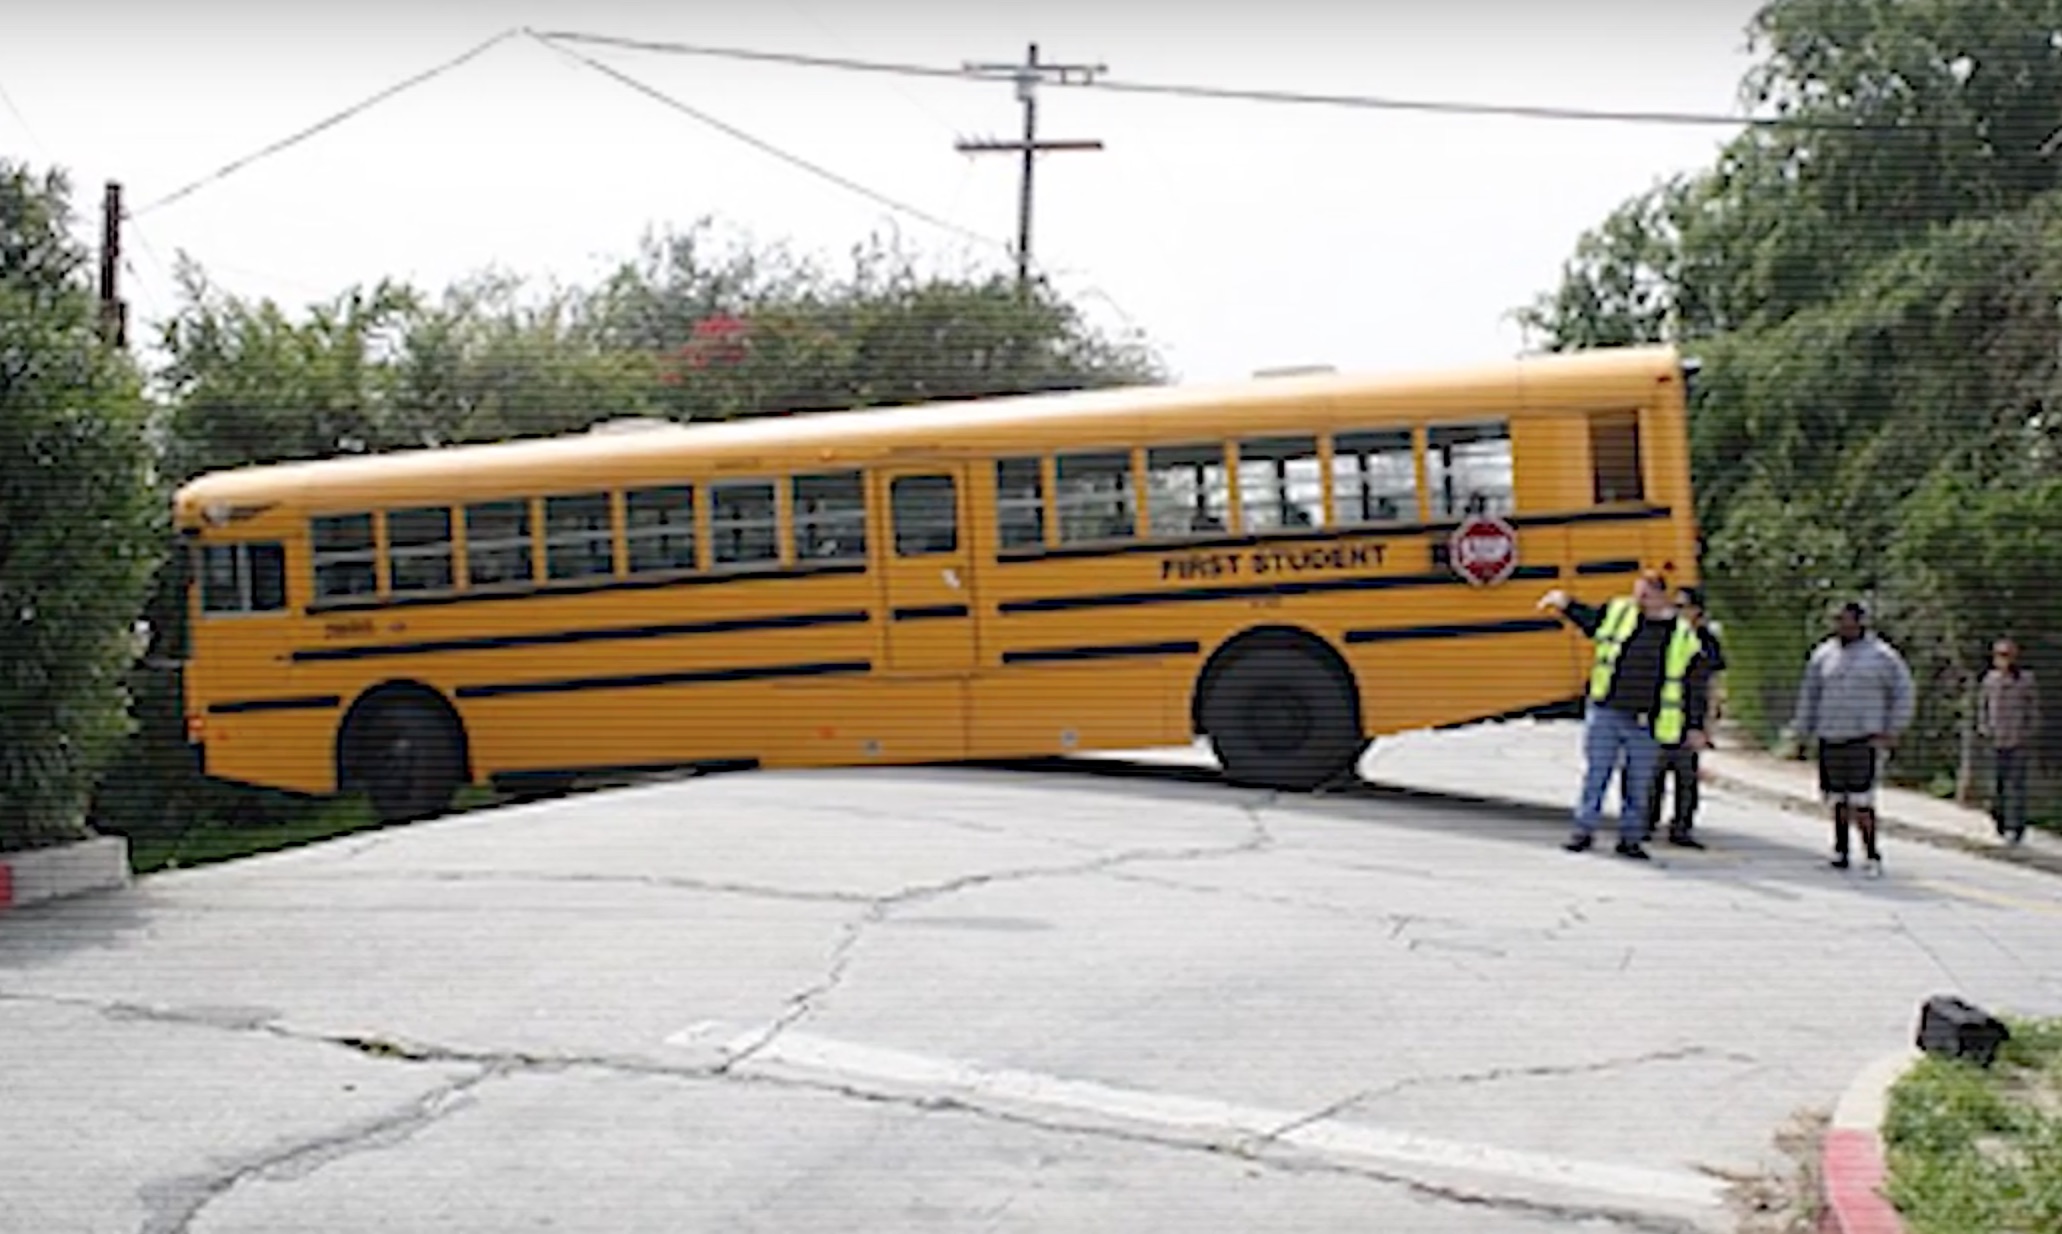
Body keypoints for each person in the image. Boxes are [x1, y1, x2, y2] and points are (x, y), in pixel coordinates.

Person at [1539, 571, 1714, 860]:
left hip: (1647, 720)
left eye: (1645, 594)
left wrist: (1695, 726)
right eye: (1637, 592)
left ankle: (1630, 839)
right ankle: (1583, 831)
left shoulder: (1682, 636)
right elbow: (1591, 621)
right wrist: (1566, 604)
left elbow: (1693, 686)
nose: (1638, 599)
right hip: (1607, 709)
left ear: (1662, 596)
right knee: (1597, 774)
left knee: (1638, 782)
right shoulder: (1620, 613)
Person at [1792, 602, 1916, 877]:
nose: (1840, 626)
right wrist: (1802, 732)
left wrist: (1893, 728)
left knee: (1862, 800)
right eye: (1837, 620)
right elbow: (1809, 695)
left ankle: (1872, 854)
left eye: (1846, 620)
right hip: (1830, 735)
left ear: (1860, 622)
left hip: (1864, 738)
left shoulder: (1882, 656)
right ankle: (1840, 850)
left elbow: (1903, 693)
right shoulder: (1823, 654)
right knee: (1836, 798)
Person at [1644, 585, 1727, 848]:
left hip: (1690, 719)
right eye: (1675, 606)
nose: (1677, 612)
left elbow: (1713, 686)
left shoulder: (1706, 642)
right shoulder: (1662, 634)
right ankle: (1646, 824)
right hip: (1659, 718)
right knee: (1651, 776)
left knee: (1686, 778)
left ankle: (1681, 828)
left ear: (1697, 612)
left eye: (1683, 607)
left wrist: (1708, 727)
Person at [1978, 637, 2039, 846]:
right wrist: (1985, 728)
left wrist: (2028, 732)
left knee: (2017, 786)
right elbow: (1983, 706)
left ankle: (2016, 828)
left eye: (2006, 655)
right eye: (1998, 655)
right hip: (1996, 740)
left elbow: (2032, 709)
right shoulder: (1990, 679)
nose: (2002, 660)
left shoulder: (2024, 680)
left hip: (2017, 740)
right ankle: (2000, 820)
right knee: (1997, 785)